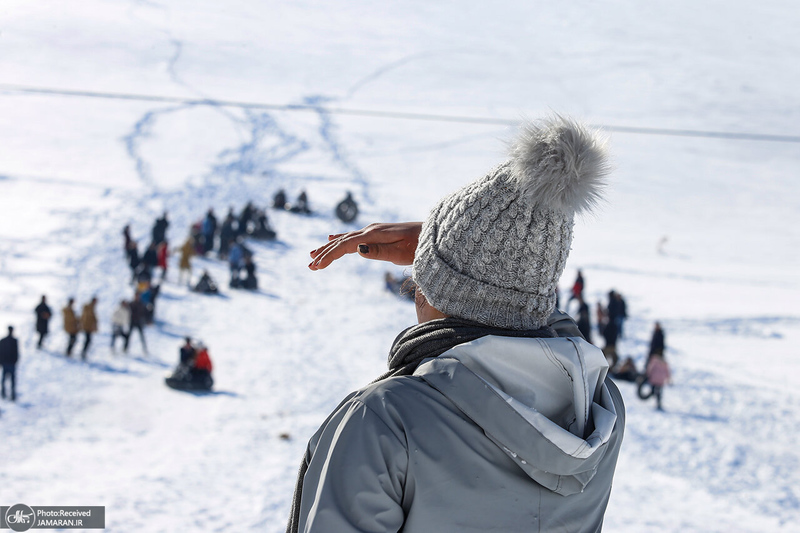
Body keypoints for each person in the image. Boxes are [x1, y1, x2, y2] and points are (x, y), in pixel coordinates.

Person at [289, 116, 624, 532]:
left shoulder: (384, 422)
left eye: (416, 285)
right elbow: (521, 307)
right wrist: (450, 251)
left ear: (428, 290)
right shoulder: (597, 408)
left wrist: (441, 249)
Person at [0, 326, 19, 401]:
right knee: (9, 380)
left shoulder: (5, 340)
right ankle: (7, 394)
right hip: (8, 363)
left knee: (8, 380)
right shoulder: (11, 340)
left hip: (8, 363)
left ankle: (8, 394)